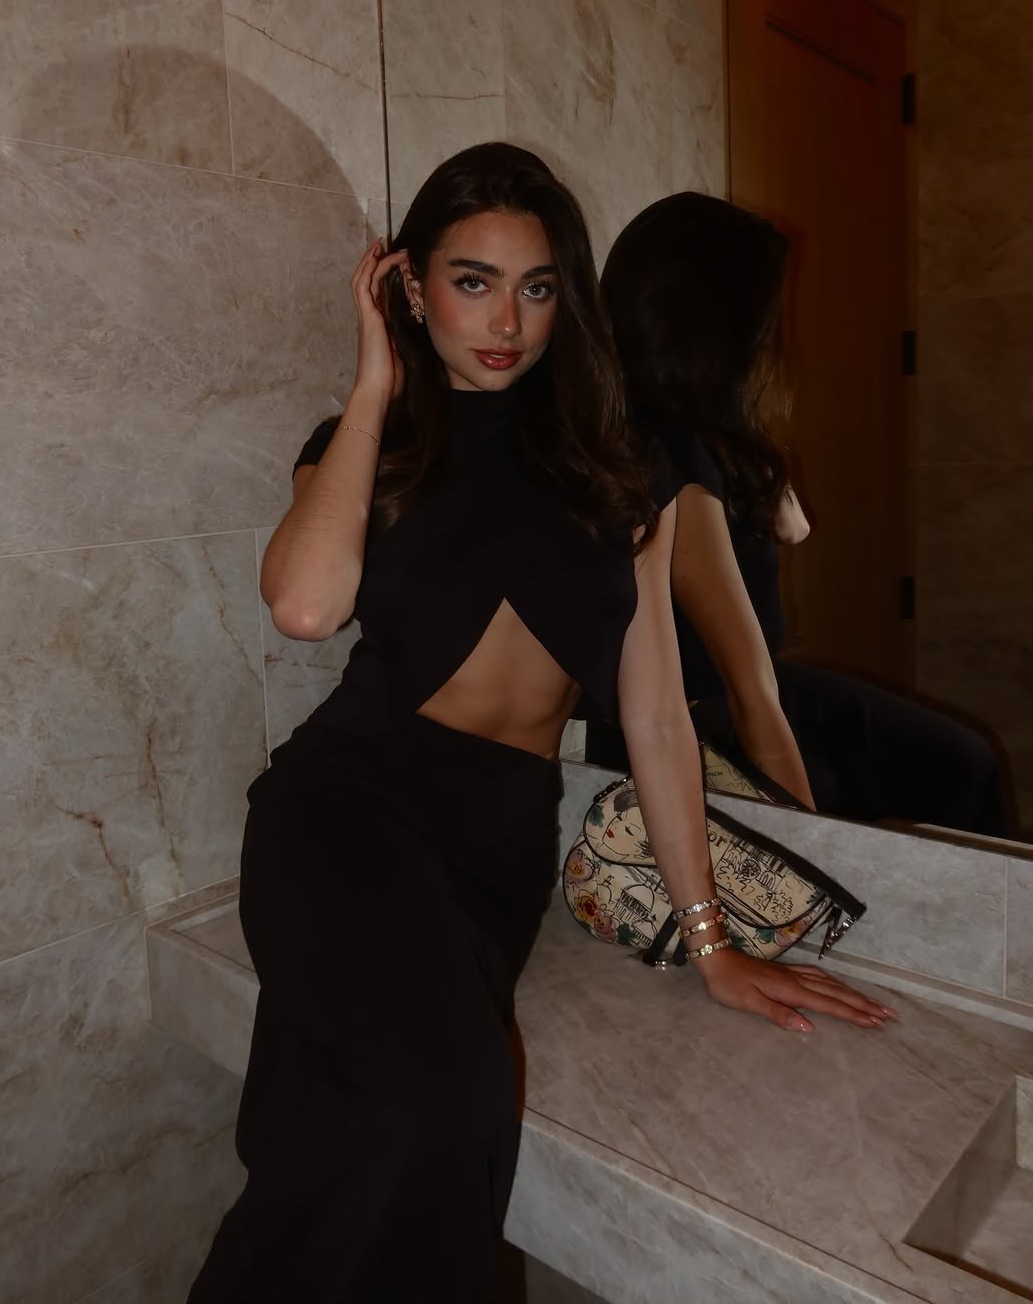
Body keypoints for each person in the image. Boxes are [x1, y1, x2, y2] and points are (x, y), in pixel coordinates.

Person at [188, 148, 893, 1304]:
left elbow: (655, 715)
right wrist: (372, 382)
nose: (506, 321)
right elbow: (304, 606)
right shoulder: (368, 445)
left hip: (495, 847)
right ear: (412, 287)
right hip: (346, 811)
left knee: (376, 1114)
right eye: (472, 282)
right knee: (439, 1095)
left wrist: (710, 941)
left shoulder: (617, 475)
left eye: (536, 287)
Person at [587, 191, 1012, 840]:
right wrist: (810, 853)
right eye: (759, 320)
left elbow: (793, 526)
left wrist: (738, 430)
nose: (770, 339)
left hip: (737, 699)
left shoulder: (687, 436)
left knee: (964, 763)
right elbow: (752, 695)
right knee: (962, 766)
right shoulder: (671, 462)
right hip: (708, 724)